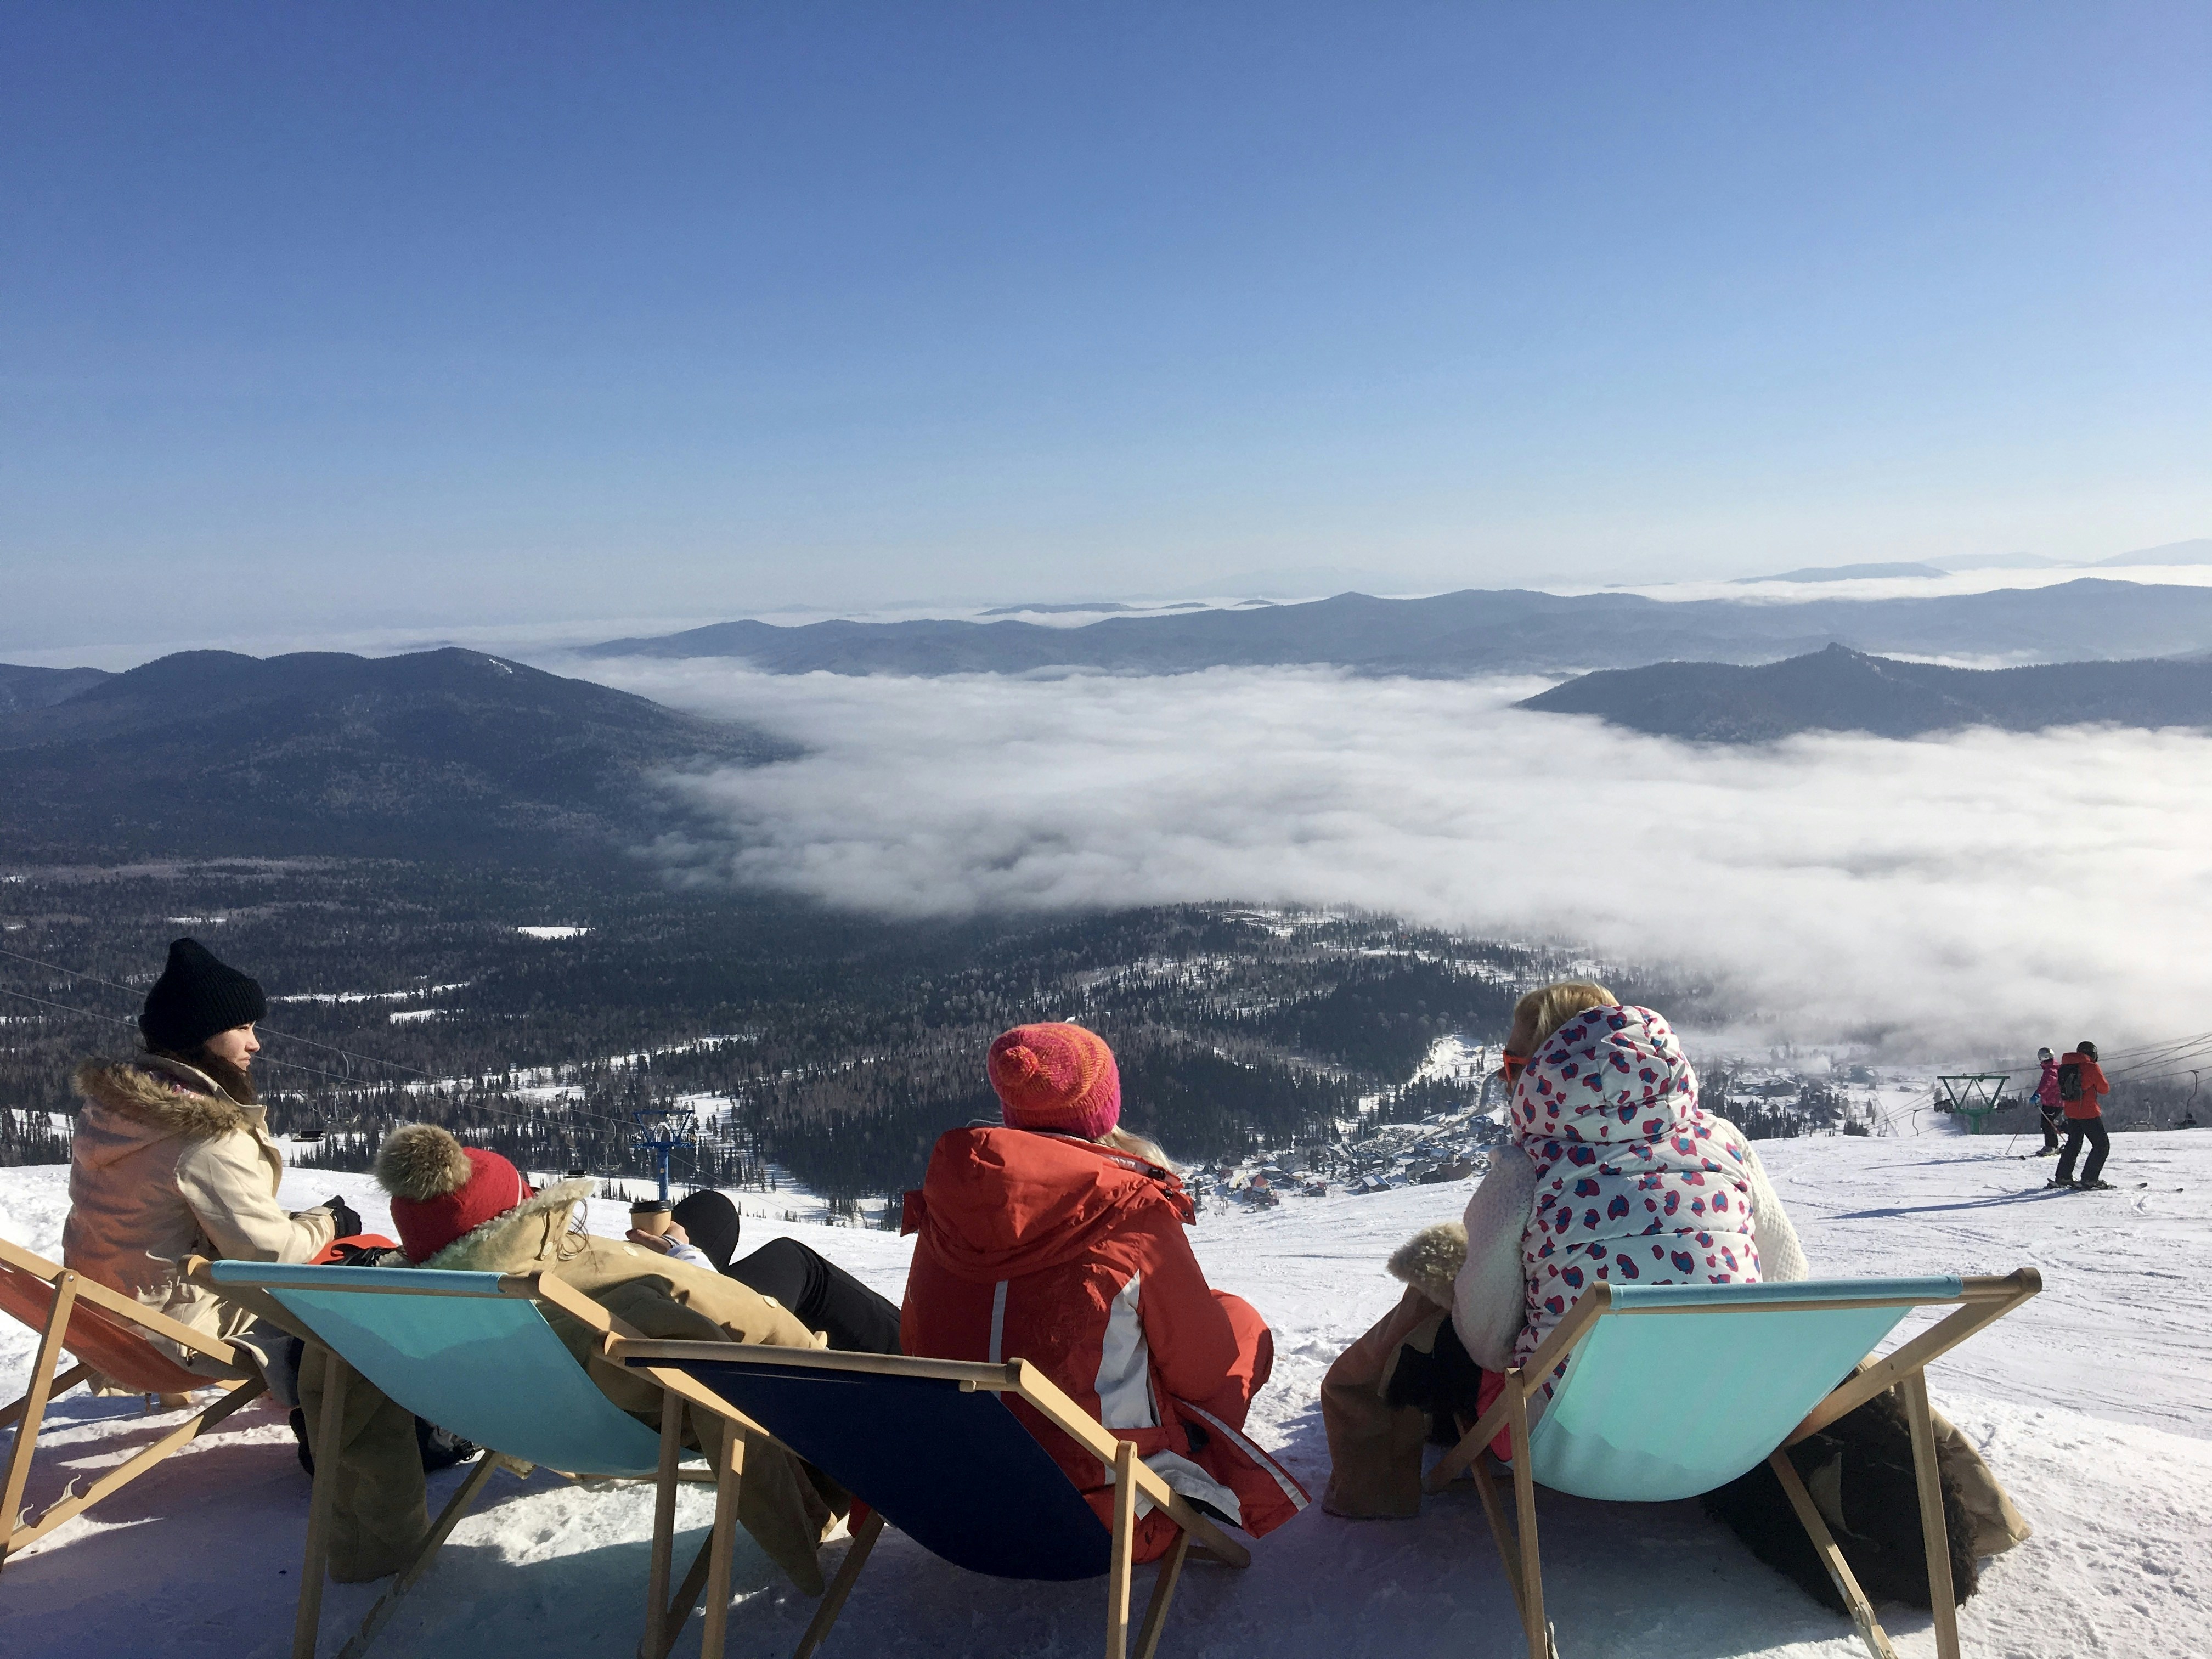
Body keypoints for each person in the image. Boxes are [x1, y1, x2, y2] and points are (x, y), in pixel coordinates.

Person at [1322, 980, 1808, 1517]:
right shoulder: (1725, 1142)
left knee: (1450, 1304)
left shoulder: (1525, 1171)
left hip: (1559, 1444)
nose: (1509, 1082)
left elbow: (1487, 1343)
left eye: (1514, 1067)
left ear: (1549, 1069)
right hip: (1728, 1430)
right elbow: (1788, 1282)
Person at [312, 1123, 852, 1591]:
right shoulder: (615, 1286)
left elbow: (349, 1418)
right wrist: (688, 1261)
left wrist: (372, 1542)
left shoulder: (389, 1310)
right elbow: (760, 1349)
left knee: (711, 1218)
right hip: (646, 1421)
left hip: (532, 1420)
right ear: (527, 1211)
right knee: (795, 1261)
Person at [901, 1022, 1307, 1562]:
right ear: (1104, 1109)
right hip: (1106, 1521)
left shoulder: (947, 1209)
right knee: (1238, 1321)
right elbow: (1205, 1374)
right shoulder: (1129, 1213)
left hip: (954, 1507)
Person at [64, 937, 351, 1386]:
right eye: (241, 1028)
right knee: (352, 1294)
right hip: (171, 1338)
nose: (255, 1044)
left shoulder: (115, 1108)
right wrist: (330, 1222)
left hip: (100, 1320)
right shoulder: (203, 1136)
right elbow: (270, 1255)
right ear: (199, 1035)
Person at [628, 1188, 902, 1356]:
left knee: (713, 1208)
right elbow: (723, 1320)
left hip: (631, 1306)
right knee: (798, 1263)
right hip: (701, 1352)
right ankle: (917, 1358)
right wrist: (681, 1253)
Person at [2050, 1040, 2113, 1190]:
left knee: (2074, 1144)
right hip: (2088, 1112)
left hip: (2071, 1112)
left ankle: (2063, 1177)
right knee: (2101, 1146)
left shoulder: (2065, 1067)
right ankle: (2090, 1179)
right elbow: (2104, 1089)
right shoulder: (2091, 1067)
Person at [2034, 1047, 2064, 1155]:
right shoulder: (2054, 1068)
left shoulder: (2051, 1071)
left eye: (2041, 1058)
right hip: (2052, 1102)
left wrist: (2038, 1094)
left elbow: (2046, 1084)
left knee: (2047, 1124)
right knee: (2049, 1123)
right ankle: (2052, 1145)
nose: (2041, 1061)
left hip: (2053, 1103)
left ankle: (2052, 1147)